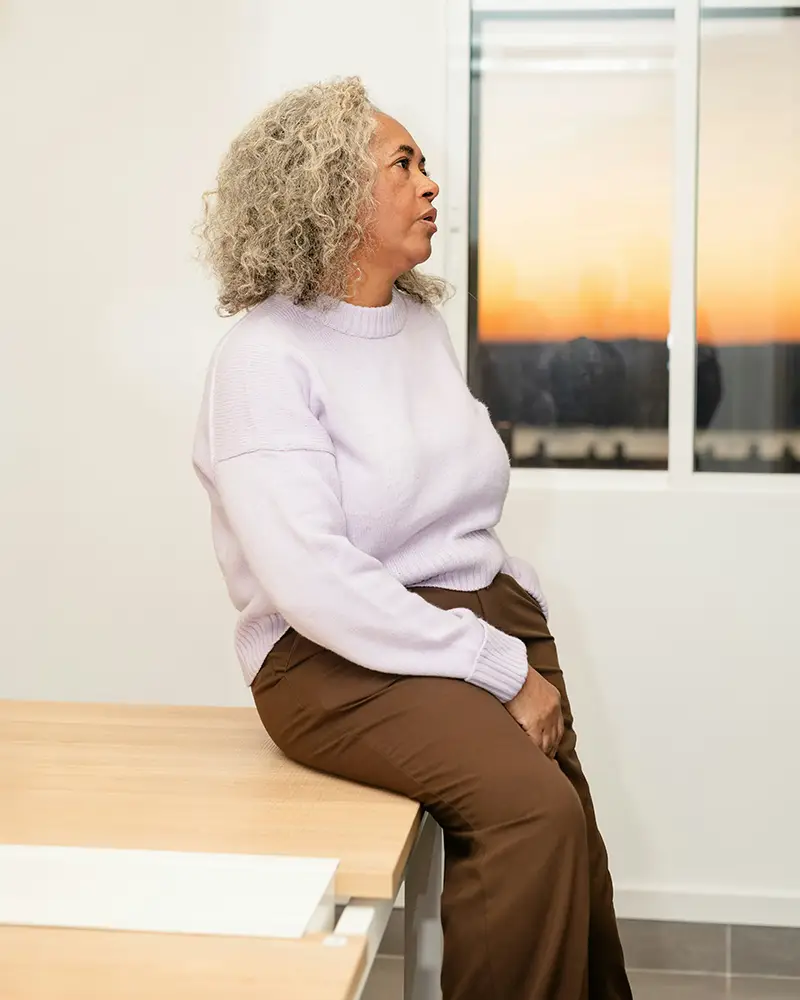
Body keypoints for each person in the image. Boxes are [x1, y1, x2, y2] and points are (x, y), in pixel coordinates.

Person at [192, 77, 632, 1000]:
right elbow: (312, 579)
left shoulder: (417, 326)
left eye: (425, 165)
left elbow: (452, 498)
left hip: (468, 623)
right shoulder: (264, 356)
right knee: (532, 819)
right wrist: (500, 664)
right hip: (329, 656)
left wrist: (517, 610)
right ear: (330, 192)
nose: (430, 185)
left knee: (569, 830)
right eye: (405, 165)